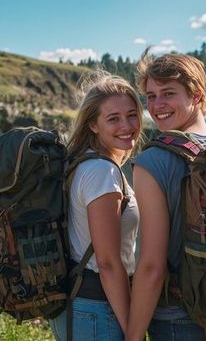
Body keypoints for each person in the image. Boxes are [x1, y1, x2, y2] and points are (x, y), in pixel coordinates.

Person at [126, 50, 206, 341]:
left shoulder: (153, 161)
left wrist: (132, 336)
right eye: (151, 96)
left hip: (180, 320)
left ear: (196, 95)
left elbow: (153, 267)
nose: (157, 105)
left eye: (168, 93)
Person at [49, 71, 143, 341]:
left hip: (78, 305)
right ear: (93, 125)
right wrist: (133, 331)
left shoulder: (79, 163)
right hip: (98, 308)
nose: (126, 125)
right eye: (113, 118)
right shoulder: (102, 173)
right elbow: (108, 263)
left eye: (132, 114)